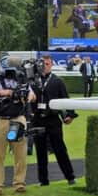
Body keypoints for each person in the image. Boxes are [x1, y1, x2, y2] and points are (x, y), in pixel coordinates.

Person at [0, 63, 36, 195]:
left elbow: (33, 96)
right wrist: (1, 92)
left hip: (18, 118)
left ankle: (19, 183)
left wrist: (28, 97)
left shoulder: (21, 78)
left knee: (21, 154)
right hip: (1, 119)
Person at [32, 55, 77, 186]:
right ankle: (43, 180)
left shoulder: (57, 81)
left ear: (51, 65)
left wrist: (70, 115)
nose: (44, 66)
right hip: (37, 119)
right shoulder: (33, 81)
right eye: (42, 64)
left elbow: (65, 99)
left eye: (46, 64)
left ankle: (70, 177)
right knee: (40, 151)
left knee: (60, 149)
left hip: (52, 120)